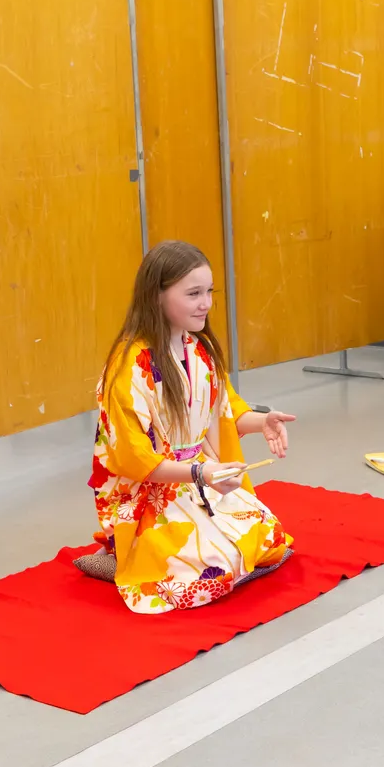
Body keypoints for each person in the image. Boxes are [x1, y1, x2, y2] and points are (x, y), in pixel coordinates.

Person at [89, 240, 295, 615]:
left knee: (269, 537)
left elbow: (226, 412)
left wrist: (262, 421)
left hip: (200, 475)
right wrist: (200, 474)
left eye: (209, 292)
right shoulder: (127, 364)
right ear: (157, 296)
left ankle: (151, 550)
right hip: (152, 491)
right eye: (193, 294)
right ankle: (125, 550)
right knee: (213, 571)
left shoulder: (199, 349)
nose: (206, 304)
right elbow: (133, 457)